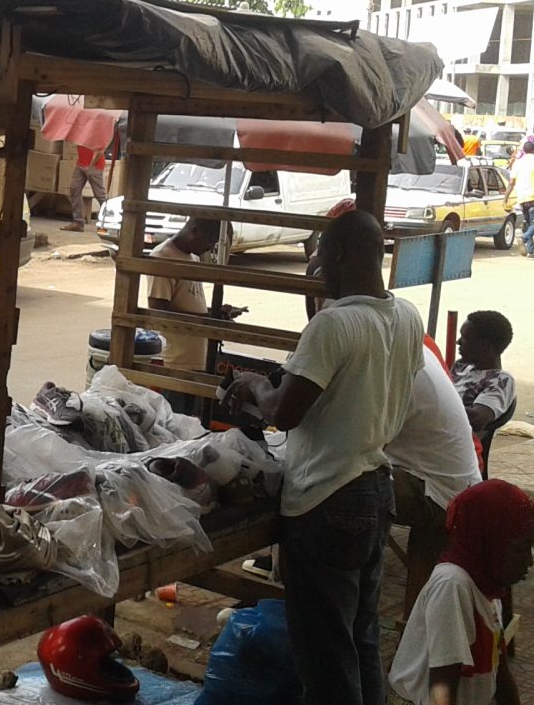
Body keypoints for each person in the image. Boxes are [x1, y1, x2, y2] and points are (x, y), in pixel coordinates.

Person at [223, 210, 421, 705]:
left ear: (340, 255)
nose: (317, 268)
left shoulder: (334, 324)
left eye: (321, 257)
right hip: (376, 488)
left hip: (327, 500)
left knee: (327, 656)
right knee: (360, 638)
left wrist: (251, 384)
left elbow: (284, 413)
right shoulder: (406, 316)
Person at [389, 479, 534, 705]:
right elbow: (442, 687)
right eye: (519, 549)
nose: (529, 562)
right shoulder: (452, 586)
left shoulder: (488, 589)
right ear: (488, 542)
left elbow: (501, 675)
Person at [387, 338, 484, 615]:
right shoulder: (415, 344)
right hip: (447, 480)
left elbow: (359, 442)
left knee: (343, 488)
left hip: (441, 494)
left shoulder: (394, 364)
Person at [146, 218, 243, 373]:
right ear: (195, 231)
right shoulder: (163, 258)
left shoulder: (193, 257)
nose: (210, 247)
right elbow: (158, 310)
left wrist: (214, 312)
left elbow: (186, 302)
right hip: (175, 361)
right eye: (210, 241)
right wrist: (207, 319)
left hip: (193, 358)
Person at [450, 310, 517, 436]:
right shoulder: (461, 366)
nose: (458, 342)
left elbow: (477, 419)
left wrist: (434, 404)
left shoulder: (501, 380)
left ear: (485, 346)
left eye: (464, 338)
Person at [506, 139, 534, 258]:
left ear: (524, 150)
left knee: (528, 223)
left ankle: (530, 251)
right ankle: (524, 237)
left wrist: (505, 198)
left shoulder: (517, 163)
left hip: (522, 197)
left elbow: (511, 182)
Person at [60, 144, 108, 232]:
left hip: (95, 165)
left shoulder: (95, 131)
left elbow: (101, 149)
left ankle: (108, 224)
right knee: (74, 189)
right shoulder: (80, 131)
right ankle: (78, 223)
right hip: (81, 163)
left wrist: (92, 164)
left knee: (100, 195)